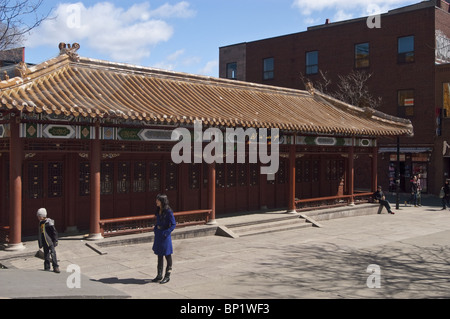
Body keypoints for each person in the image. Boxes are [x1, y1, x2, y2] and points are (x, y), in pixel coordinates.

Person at [152, 194, 176, 284]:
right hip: (158, 234)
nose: (156, 201)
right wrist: (155, 229)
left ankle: (167, 276)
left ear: (162, 201)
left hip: (165, 235)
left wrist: (166, 232)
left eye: (157, 200)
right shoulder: (158, 210)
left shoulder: (168, 212)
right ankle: (159, 275)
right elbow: (157, 221)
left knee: (167, 255)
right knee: (159, 255)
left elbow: (173, 224)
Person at [37, 208, 60, 273]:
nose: (38, 217)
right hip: (44, 241)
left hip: (50, 241)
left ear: (42, 216)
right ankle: (47, 267)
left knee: (53, 254)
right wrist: (40, 243)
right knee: (46, 255)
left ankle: (55, 266)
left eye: (39, 216)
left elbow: (54, 232)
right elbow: (40, 233)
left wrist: (55, 240)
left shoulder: (49, 222)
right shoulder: (41, 223)